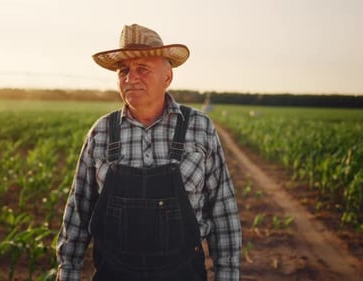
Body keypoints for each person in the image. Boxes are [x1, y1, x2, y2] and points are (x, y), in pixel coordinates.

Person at [56, 23, 241, 281]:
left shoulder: (199, 128)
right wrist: (68, 272)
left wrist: (227, 275)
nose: (131, 78)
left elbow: (223, 212)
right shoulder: (101, 132)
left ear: (167, 77)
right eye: (124, 71)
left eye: (142, 69)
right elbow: (78, 212)